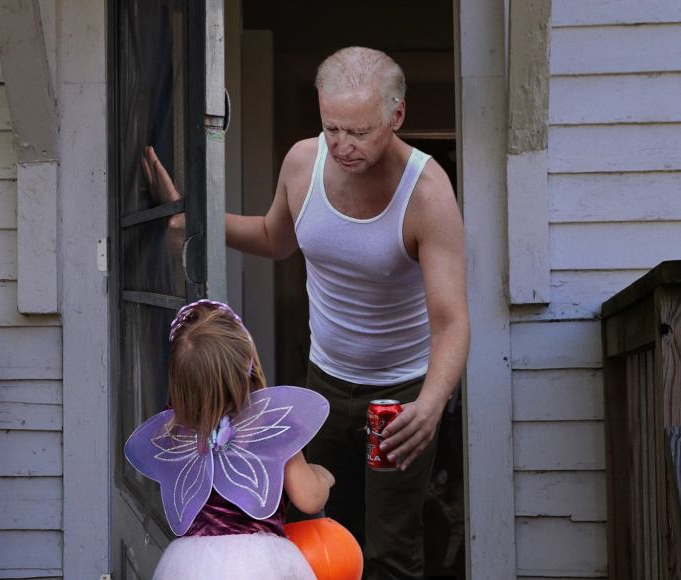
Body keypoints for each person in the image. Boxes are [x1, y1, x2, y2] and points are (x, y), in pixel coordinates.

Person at [142, 46, 470, 579]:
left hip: (401, 395)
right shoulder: (302, 161)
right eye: (331, 127)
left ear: (397, 115)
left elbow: (452, 319)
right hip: (323, 382)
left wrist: (431, 406)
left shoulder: (427, 193)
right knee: (313, 528)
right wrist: (189, 220)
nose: (342, 145)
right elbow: (275, 237)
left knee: (390, 546)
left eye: (359, 132)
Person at [124, 299, 337, 580]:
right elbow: (309, 499)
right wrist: (324, 476)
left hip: (192, 567)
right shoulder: (269, 422)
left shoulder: (172, 431)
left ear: (179, 380)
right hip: (263, 565)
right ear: (248, 363)